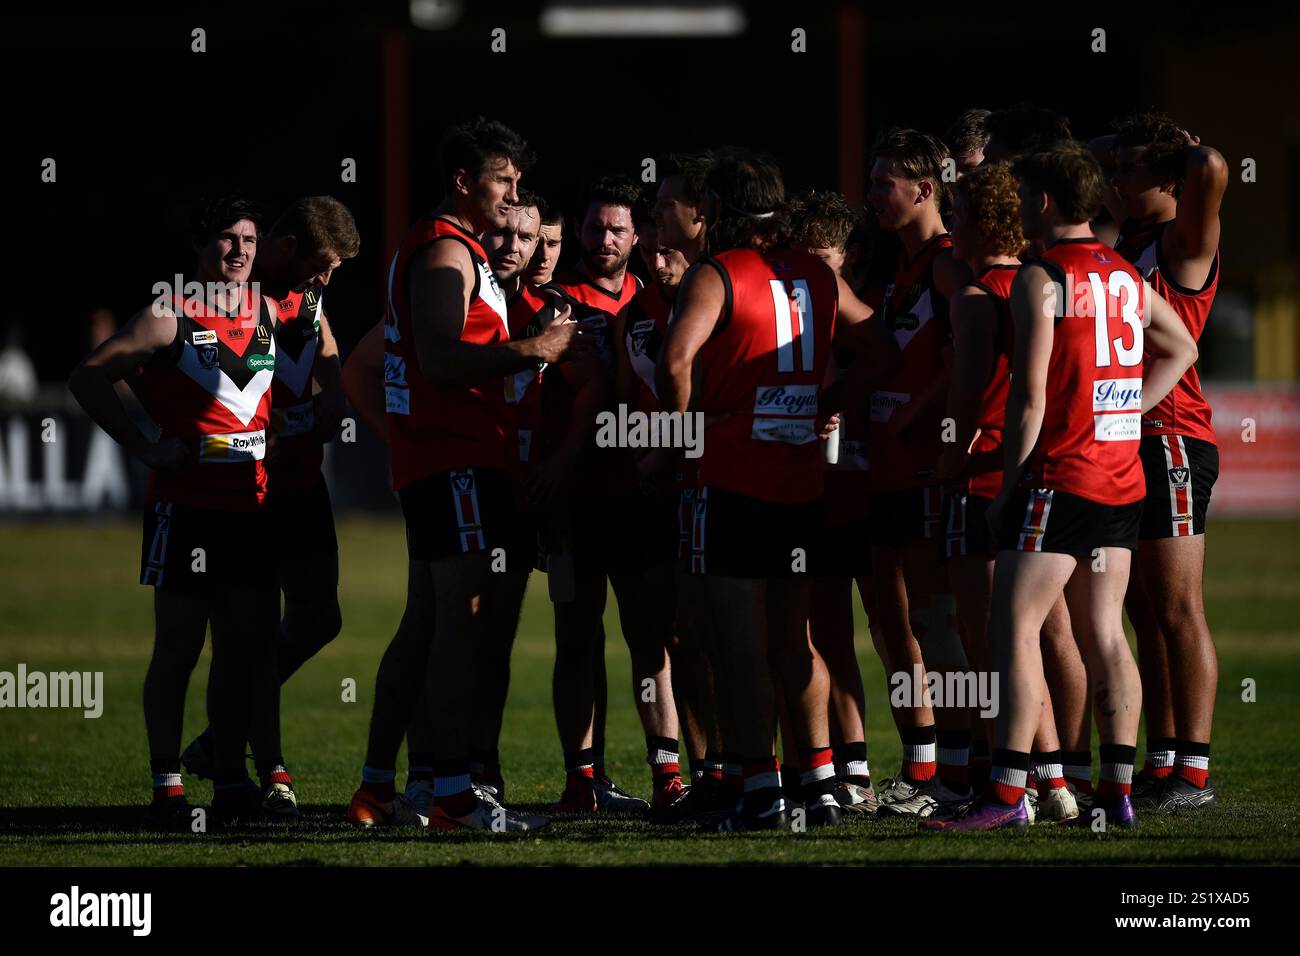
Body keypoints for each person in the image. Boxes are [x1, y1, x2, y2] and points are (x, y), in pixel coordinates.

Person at [924, 143, 1198, 831]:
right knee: (1106, 633)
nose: (1015, 205)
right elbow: (1184, 348)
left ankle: (1005, 795)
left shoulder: (1040, 278)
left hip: (1059, 478)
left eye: (1022, 194)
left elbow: (1029, 399)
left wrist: (1012, 486)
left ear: (1044, 201)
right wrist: (1127, 414)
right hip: (1120, 481)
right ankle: (1118, 794)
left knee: (1011, 629)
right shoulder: (1126, 276)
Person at [347, 117, 586, 831]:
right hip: (455, 463)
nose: (513, 194)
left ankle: (385, 788)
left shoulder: (456, 250)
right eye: (502, 180)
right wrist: (535, 348)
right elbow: (443, 357)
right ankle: (452, 793)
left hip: (444, 460)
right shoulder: (446, 252)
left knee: (426, 625)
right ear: (463, 182)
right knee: (458, 628)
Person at [69, 195, 290, 825]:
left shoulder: (270, 311)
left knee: (244, 648)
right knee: (178, 648)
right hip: (186, 509)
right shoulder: (169, 317)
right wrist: (142, 445)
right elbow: (88, 375)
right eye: (227, 238)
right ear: (199, 248)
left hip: (251, 508)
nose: (241, 250)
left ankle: (230, 780)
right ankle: (168, 786)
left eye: (250, 238)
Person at [180, 197, 358, 788]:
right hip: (250, 488)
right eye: (323, 264)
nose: (327, 279)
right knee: (249, 634)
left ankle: (221, 735)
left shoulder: (307, 297)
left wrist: (333, 390)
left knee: (318, 616)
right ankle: (267, 768)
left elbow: (327, 353)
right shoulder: (233, 297)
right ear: (287, 249)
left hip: (304, 482)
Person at [1092, 112, 1228, 812]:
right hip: (1128, 437)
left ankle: (1194, 773)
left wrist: (1179, 141)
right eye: (1114, 170)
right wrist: (1118, 154)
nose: (1115, 181)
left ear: (1170, 180)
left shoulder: (1182, 244)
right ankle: (1165, 758)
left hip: (1172, 436)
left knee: (1177, 609)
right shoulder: (1131, 240)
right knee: (1144, 610)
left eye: (1131, 171)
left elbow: (1211, 167)